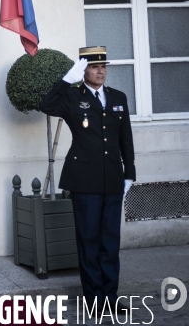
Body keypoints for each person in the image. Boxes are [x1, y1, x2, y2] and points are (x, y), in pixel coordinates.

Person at [40, 46, 135, 313]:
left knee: (110, 243)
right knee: (89, 242)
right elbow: (45, 105)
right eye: (94, 67)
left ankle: (111, 298)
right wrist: (66, 80)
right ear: (84, 71)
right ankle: (95, 300)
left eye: (103, 66)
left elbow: (125, 138)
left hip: (113, 179)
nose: (101, 71)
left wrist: (129, 173)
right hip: (84, 181)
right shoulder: (72, 96)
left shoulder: (118, 97)